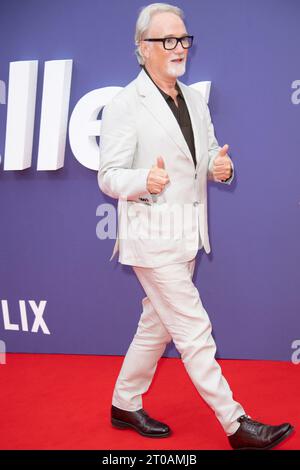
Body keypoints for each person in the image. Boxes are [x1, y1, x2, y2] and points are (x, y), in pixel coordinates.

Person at [98, 3, 293, 450]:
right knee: (193, 328)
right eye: (167, 40)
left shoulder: (193, 98)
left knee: (156, 325)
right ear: (141, 48)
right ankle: (235, 423)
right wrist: (141, 180)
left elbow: (203, 160)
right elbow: (108, 175)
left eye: (183, 39)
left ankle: (124, 402)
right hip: (151, 237)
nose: (178, 47)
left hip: (188, 234)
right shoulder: (126, 104)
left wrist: (219, 167)